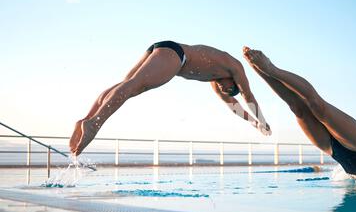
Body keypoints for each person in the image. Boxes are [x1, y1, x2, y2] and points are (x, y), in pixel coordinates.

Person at [70, 41, 272, 156]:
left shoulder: (215, 80)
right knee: (131, 86)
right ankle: (95, 124)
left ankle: (86, 119)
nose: (224, 90)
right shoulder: (235, 67)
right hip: (176, 54)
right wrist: (263, 121)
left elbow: (234, 107)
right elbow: (247, 96)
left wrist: (254, 124)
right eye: (229, 89)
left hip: (165, 50)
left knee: (126, 86)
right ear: (235, 83)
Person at [243, 46, 356, 176]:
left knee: (298, 109)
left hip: (334, 151)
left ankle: (257, 68)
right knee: (318, 107)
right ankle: (270, 68)